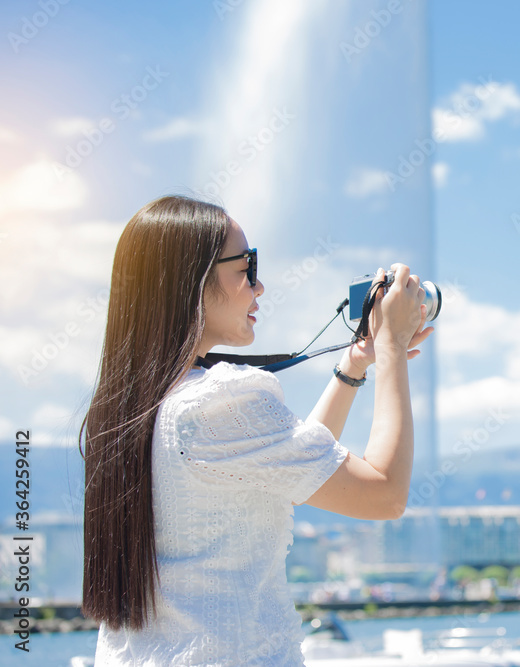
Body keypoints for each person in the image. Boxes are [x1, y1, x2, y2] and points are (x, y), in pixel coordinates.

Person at [78, 195, 433, 665]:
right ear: (192, 281)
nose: (259, 286)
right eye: (246, 267)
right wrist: (391, 348)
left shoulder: (128, 411)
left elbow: (285, 471)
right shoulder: (217, 403)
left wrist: (353, 369)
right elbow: (384, 495)